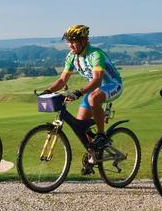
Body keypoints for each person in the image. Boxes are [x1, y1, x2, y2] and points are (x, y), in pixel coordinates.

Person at [42, 24, 123, 152]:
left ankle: (102, 135)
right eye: (69, 42)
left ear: (84, 41)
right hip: (94, 89)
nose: (70, 45)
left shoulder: (95, 54)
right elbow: (62, 80)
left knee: (93, 98)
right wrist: (48, 91)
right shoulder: (71, 56)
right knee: (80, 124)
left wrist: (80, 92)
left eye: (73, 41)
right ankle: (93, 154)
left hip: (113, 85)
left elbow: (97, 80)